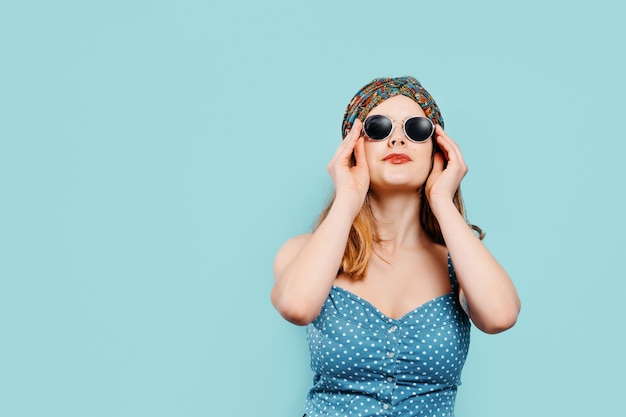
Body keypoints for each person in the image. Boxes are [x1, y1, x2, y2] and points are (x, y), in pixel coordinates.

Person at [271, 76, 520, 417]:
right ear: (354, 147)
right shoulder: (304, 251)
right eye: (379, 128)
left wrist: (442, 200)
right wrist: (348, 194)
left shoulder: (460, 262)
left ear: (439, 150)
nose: (398, 139)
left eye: (417, 128)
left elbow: (500, 316)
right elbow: (296, 306)